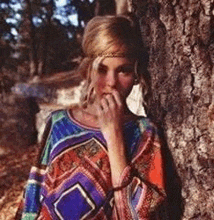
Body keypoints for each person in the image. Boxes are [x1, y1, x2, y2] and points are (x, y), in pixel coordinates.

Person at [16, 15, 167, 220]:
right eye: (102, 70)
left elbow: (140, 213)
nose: (111, 82)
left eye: (123, 70)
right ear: (88, 70)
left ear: (136, 74)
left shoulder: (145, 133)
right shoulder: (58, 123)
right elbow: (34, 192)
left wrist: (114, 137)